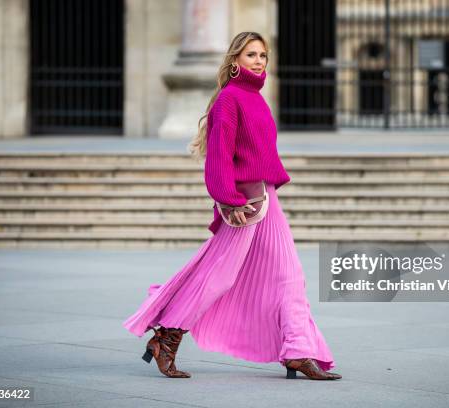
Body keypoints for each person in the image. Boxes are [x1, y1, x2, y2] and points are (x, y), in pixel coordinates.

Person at [122, 32, 341, 381]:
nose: (258, 61)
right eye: (251, 54)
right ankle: (167, 337)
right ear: (235, 59)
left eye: (263, 55)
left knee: (290, 276)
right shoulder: (230, 99)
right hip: (244, 203)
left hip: (268, 198)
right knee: (218, 276)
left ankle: (298, 351)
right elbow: (219, 155)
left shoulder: (257, 99)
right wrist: (228, 197)